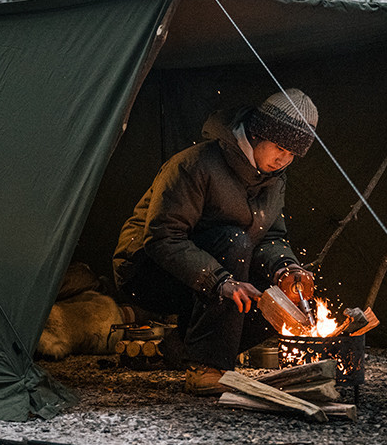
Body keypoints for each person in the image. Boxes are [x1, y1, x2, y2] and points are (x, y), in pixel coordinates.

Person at [112, 88, 317, 395]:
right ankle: (205, 368)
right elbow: (162, 237)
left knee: (278, 300)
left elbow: (271, 235)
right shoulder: (195, 165)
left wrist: (286, 269)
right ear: (259, 133)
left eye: (292, 154)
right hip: (146, 270)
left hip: (211, 272)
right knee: (234, 241)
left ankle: (183, 346)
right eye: (278, 147)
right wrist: (221, 282)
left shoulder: (275, 179)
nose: (283, 159)